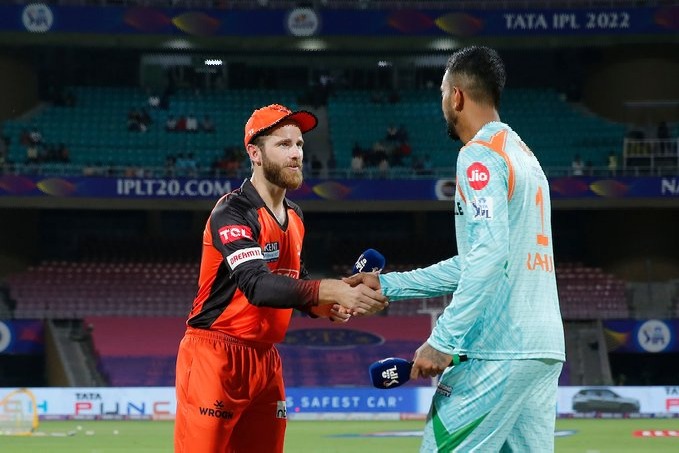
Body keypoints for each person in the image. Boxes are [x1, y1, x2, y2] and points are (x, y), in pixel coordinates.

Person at [345, 46, 565, 452]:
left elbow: (488, 257)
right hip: (542, 348)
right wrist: (389, 286)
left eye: (443, 93)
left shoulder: (478, 156)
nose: (443, 103)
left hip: (498, 349)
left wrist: (443, 340)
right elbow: (481, 259)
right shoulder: (525, 156)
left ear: (457, 96)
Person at [174, 103, 388, 453]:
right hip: (215, 356)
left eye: (299, 144)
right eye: (284, 144)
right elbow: (257, 285)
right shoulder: (233, 211)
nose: (296, 154)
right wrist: (327, 289)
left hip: (265, 361)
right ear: (255, 154)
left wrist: (325, 305)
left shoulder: (296, 216)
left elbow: (294, 282)